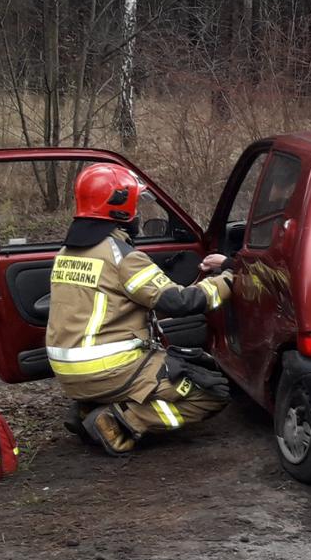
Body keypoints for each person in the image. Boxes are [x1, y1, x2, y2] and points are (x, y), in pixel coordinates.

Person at [46, 163, 237, 455]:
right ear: (121, 209)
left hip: (69, 372)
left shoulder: (65, 253)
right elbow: (179, 302)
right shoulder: (122, 257)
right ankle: (120, 420)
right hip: (110, 367)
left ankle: (88, 408)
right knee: (211, 392)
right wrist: (229, 278)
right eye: (135, 204)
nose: (137, 213)